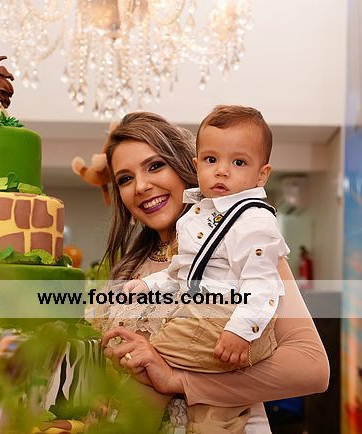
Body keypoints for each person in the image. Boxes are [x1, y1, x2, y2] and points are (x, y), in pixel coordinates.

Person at [98, 111, 329, 433]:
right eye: (125, 179)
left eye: (155, 166)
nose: (141, 186)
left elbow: (312, 368)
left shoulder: (241, 245)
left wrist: (178, 380)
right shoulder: (130, 268)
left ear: (185, 166)